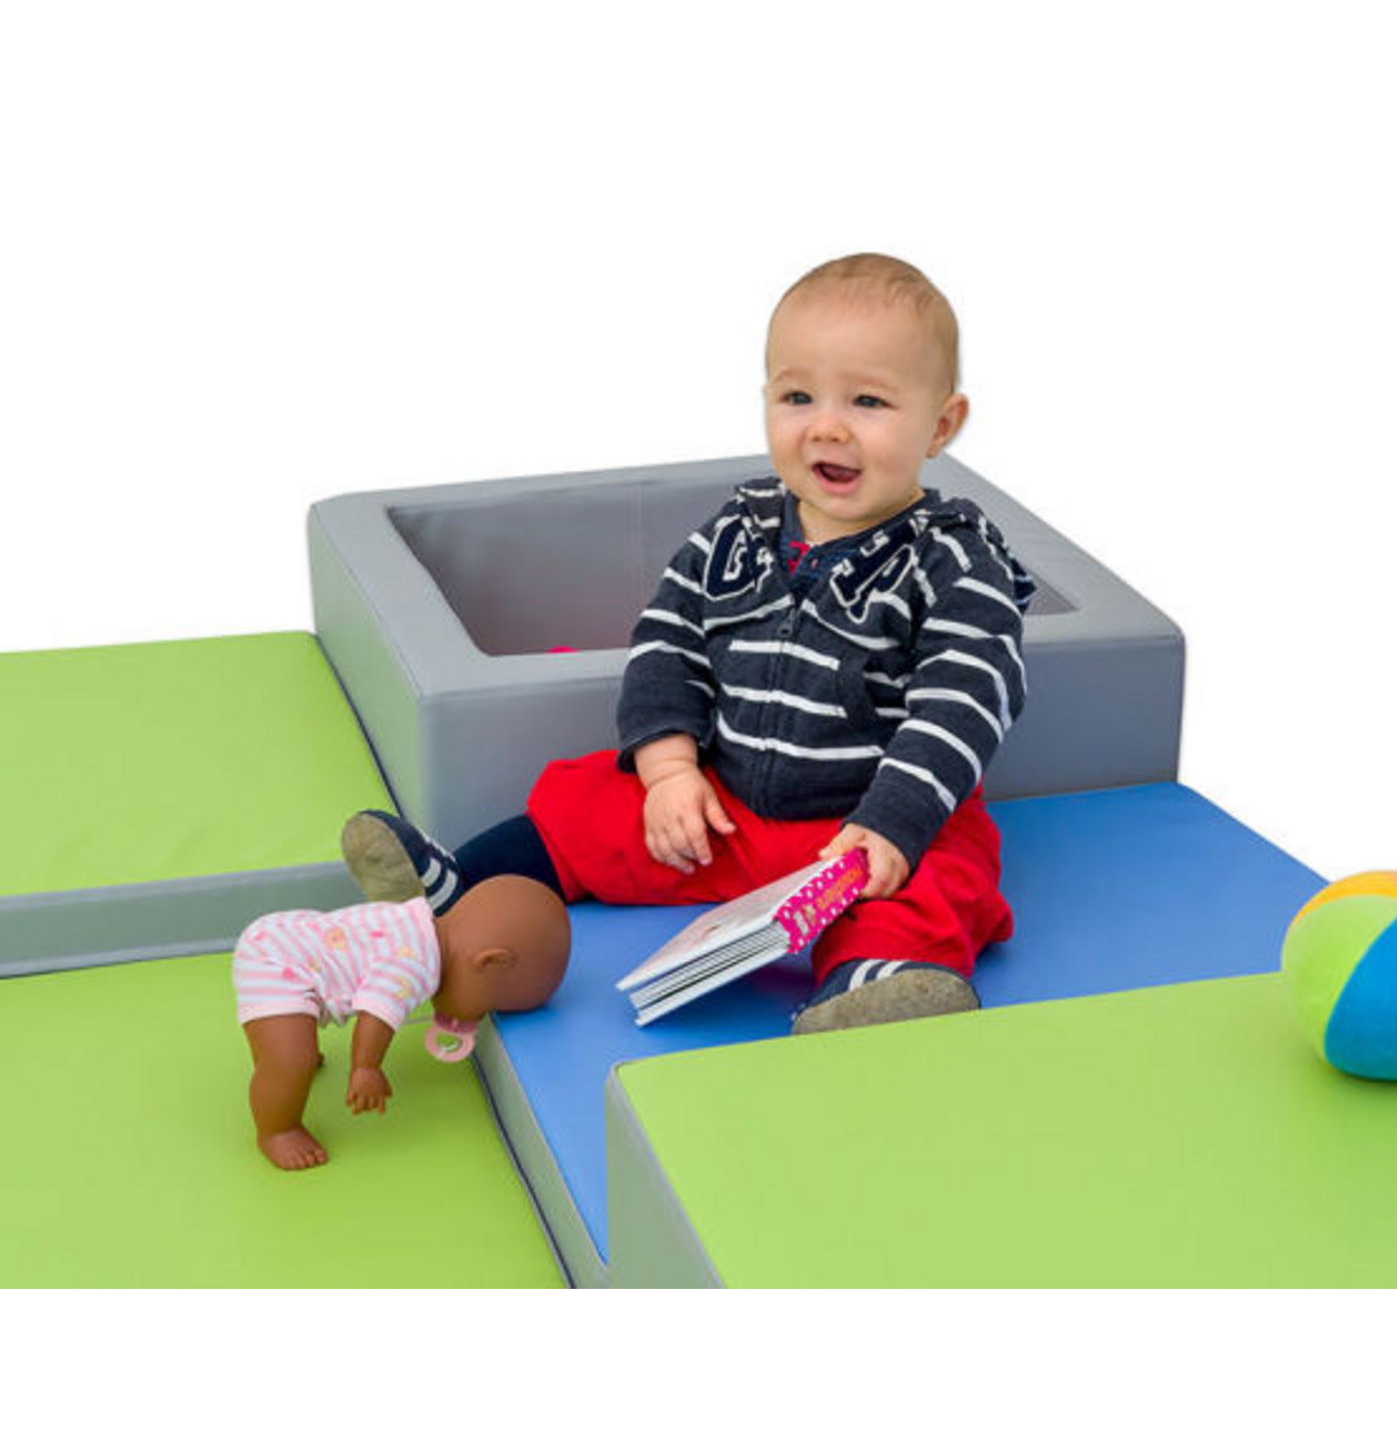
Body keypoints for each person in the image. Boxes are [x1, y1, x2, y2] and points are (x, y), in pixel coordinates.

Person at [343, 253, 1034, 1033]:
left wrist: (893, 820)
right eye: (797, 396)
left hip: (864, 825)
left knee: (938, 877)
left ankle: (870, 981)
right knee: (590, 805)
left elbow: (964, 701)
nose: (827, 426)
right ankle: (456, 886)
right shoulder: (738, 529)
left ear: (941, 424)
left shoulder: (953, 561)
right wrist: (669, 769)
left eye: (868, 401)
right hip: (726, 808)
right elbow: (668, 641)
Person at [233, 874, 569, 1169]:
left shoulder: (415, 921)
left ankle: (280, 1051)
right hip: (276, 964)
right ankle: (278, 1130)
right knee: (291, 1061)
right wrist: (366, 1067)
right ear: (490, 962)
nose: (479, 1017)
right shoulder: (416, 964)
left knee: (286, 1046)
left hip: (286, 934)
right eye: (488, 1005)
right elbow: (378, 1010)